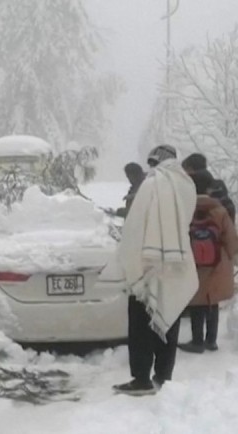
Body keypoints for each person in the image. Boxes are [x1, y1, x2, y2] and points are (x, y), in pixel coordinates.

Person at [100, 144, 198, 396]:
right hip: (178, 261)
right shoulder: (188, 185)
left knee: (142, 322)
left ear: (155, 161)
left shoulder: (153, 184)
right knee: (170, 316)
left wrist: (128, 258)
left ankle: (141, 378)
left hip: (149, 263)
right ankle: (164, 376)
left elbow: (135, 227)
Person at [178, 170, 238, 354]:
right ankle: (211, 340)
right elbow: (231, 239)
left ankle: (197, 341)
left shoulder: (185, 209)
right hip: (217, 263)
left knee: (197, 302)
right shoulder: (219, 210)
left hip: (193, 263)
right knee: (212, 300)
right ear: (209, 188)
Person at [182, 153, 236, 221]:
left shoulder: (189, 187)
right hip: (222, 228)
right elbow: (230, 211)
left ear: (190, 169)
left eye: (184, 171)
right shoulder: (219, 186)